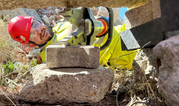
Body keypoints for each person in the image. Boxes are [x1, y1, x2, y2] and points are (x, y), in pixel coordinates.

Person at [8, 9, 137, 69]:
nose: (38, 31)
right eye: (32, 35)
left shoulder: (58, 28)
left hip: (124, 30)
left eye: (35, 25)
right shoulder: (49, 55)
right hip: (124, 51)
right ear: (30, 45)